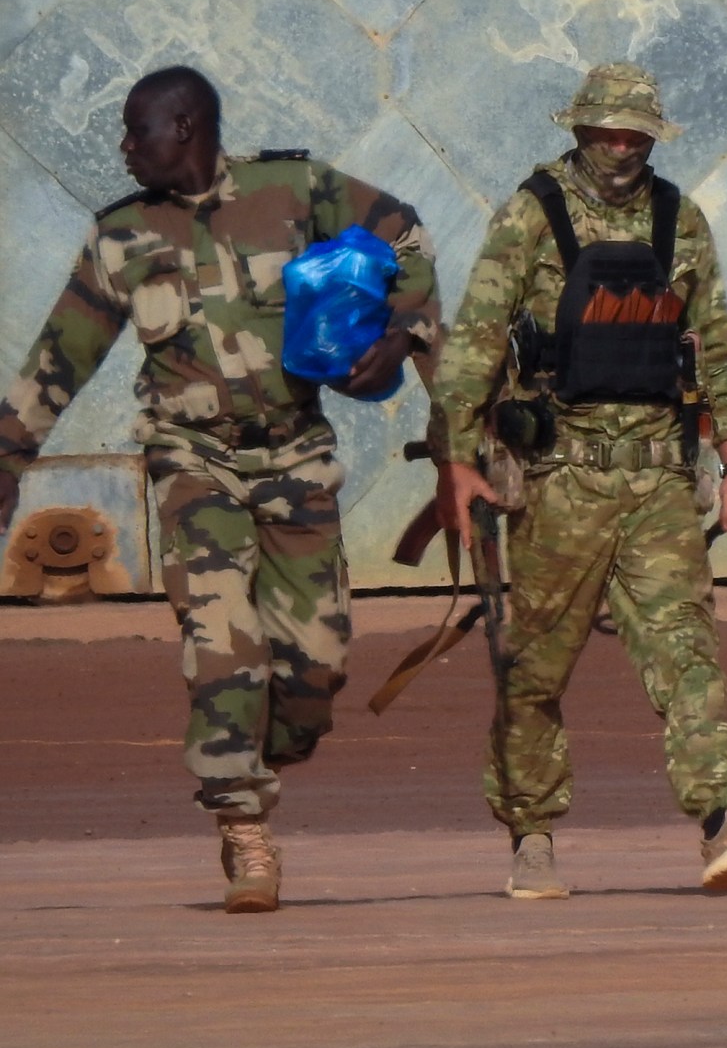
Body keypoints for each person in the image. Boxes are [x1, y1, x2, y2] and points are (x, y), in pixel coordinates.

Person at [0, 65, 440, 912]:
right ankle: (242, 823)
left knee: (313, 671)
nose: (126, 148)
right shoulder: (120, 237)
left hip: (297, 458)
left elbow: (407, 237)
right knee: (222, 643)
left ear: (185, 127)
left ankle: (261, 748)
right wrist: (8, 457)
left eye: (138, 132)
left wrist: (403, 330)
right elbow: (60, 355)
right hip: (192, 460)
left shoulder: (294, 191)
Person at [429, 62, 727, 900]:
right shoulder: (532, 213)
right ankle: (532, 839)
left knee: (687, 651)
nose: (621, 148)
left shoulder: (680, 219)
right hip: (560, 480)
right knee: (533, 668)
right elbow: (477, 341)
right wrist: (457, 461)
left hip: (659, 477)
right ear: (579, 129)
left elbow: (715, 347)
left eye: (635, 136)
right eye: (605, 133)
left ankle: (723, 821)